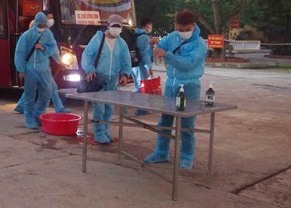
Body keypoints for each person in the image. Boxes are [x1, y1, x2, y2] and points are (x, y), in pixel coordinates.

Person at [144, 10, 207, 169]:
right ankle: (161, 152)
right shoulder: (172, 37)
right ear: (175, 26)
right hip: (171, 85)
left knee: (186, 124)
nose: (183, 32)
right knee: (165, 120)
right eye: (180, 29)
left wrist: (167, 55)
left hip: (189, 86)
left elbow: (187, 64)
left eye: (187, 29)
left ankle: (187, 157)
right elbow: (160, 47)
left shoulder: (200, 44)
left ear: (193, 26)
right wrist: (154, 45)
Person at [81, 14, 132, 144]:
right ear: (108, 26)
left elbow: (126, 61)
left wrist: (125, 75)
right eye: (114, 26)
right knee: (99, 109)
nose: (116, 28)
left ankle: (105, 131)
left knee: (109, 108)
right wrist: (90, 70)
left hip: (113, 79)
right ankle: (98, 133)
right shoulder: (98, 39)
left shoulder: (122, 44)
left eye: (119, 26)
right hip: (99, 78)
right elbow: (87, 55)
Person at [14, 10, 71, 114]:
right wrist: (21, 69)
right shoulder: (35, 33)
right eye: (49, 17)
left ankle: (22, 105)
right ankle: (58, 108)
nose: (51, 20)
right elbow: (21, 52)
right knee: (48, 87)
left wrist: (59, 61)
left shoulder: (47, 33)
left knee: (48, 87)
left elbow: (52, 49)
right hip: (35, 67)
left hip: (42, 67)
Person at [14, 11, 58, 129]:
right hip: (30, 70)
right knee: (30, 96)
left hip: (44, 69)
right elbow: (20, 53)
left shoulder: (48, 35)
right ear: (36, 23)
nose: (42, 28)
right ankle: (29, 120)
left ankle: (38, 116)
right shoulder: (27, 36)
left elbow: (53, 47)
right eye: (40, 25)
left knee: (46, 94)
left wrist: (43, 48)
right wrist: (21, 69)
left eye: (44, 26)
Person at [131, 17, 154, 115]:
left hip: (133, 64)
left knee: (138, 85)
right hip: (141, 65)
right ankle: (141, 109)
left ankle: (140, 108)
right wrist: (149, 67)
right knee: (143, 86)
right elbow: (145, 54)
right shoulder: (144, 37)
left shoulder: (134, 33)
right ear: (148, 26)